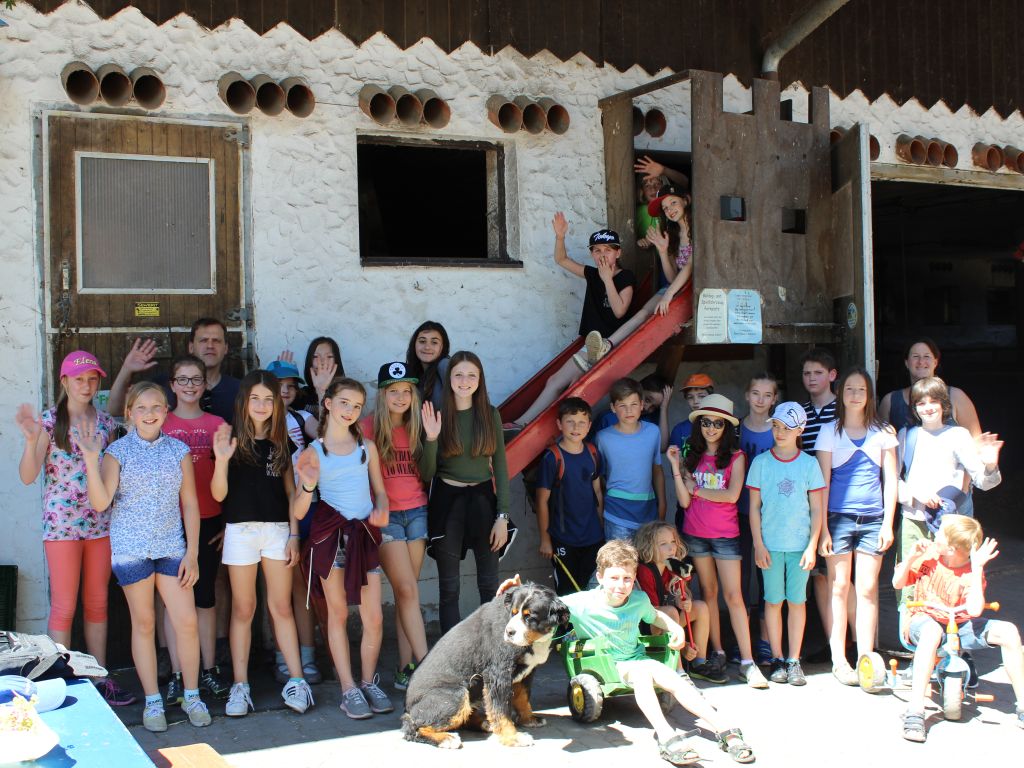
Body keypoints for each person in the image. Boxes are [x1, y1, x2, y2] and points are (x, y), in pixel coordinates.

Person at [78, 382, 210, 732]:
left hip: (171, 547)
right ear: (130, 414)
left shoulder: (179, 451)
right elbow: (102, 502)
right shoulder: (116, 453)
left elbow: (192, 505)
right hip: (131, 549)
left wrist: (193, 553)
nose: (149, 413)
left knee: (186, 622)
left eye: (156, 407)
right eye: (142, 408)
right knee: (145, 624)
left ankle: (192, 695)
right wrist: (92, 461)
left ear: (166, 411)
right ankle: (153, 701)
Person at [559, 540, 756, 764]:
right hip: (607, 663)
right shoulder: (581, 603)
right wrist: (514, 595)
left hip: (637, 659)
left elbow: (656, 616)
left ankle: (725, 729)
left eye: (627, 579)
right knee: (642, 675)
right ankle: (666, 735)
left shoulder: (638, 599)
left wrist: (674, 628)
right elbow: (544, 604)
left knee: (674, 679)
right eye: (614, 578)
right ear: (601, 577)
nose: (621, 586)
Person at [15, 350, 134, 707]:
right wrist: (30, 439)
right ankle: (60, 681)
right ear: (64, 381)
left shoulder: (106, 424)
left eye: (92, 379)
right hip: (62, 527)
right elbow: (27, 476)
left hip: (100, 524)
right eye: (79, 379)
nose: (86, 385)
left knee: (98, 603)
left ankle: (99, 677)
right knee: (64, 607)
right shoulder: (49, 423)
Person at [211, 371, 314, 717]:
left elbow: (290, 493)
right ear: (243, 401)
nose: (261, 405)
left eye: (268, 399)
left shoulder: (282, 443)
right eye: (255, 398)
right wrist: (222, 461)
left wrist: (295, 534)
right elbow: (219, 495)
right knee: (243, 608)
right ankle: (240, 686)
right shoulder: (230, 440)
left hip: (278, 531)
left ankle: (297, 681)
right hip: (239, 531)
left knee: (281, 607)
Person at [294, 377, 392, 720]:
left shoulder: (367, 447)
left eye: (356, 405)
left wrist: (382, 508)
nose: (350, 410)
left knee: (374, 617)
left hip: (364, 537)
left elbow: (379, 490)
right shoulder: (313, 452)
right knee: (337, 614)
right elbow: (299, 510)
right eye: (344, 402)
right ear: (328, 403)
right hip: (332, 538)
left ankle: (368, 682)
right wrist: (307, 485)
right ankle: (348, 689)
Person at [892, 516, 1024, 742]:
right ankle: (916, 710)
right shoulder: (928, 557)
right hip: (924, 620)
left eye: (940, 533)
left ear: (951, 548)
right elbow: (897, 583)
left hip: (959, 625)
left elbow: (973, 611)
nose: (934, 536)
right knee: (933, 632)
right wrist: (912, 556)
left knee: (1009, 631)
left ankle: (1022, 704)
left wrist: (978, 568)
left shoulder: (971, 570)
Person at [667, 394, 767, 688]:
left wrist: (696, 489)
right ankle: (719, 651)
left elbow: (732, 496)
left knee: (734, 597)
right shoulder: (690, 456)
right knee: (708, 593)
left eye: (718, 423)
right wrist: (675, 466)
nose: (711, 428)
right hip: (695, 533)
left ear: (727, 427)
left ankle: (747, 661)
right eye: (706, 422)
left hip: (725, 535)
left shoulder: (737, 457)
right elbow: (684, 501)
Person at [506, 215, 636, 428]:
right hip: (591, 345)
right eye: (597, 250)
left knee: (564, 385)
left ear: (618, 253)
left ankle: (525, 423)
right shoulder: (593, 274)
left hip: (610, 345)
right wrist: (560, 236)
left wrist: (607, 279)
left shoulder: (625, 277)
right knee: (559, 384)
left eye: (608, 250)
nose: (602, 254)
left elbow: (620, 310)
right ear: (592, 254)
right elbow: (562, 260)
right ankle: (524, 424)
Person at [815, 367, 897, 686]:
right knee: (838, 587)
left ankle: (866, 655)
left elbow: (890, 480)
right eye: (849, 388)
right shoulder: (829, 432)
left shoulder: (883, 431)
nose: (854, 394)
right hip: (838, 518)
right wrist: (822, 529)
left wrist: (888, 523)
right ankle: (839, 657)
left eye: (860, 389)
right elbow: (821, 485)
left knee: (866, 589)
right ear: (840, 393)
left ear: (869, 395)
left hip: (874, 519)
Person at [419, 351, 511, 633]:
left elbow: (501, 467)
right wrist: (432, 439)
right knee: (449, 588)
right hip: (448, 504)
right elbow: (426, 473)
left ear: (480, 379)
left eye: (472, 374)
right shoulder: (437, 414)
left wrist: (502, 516)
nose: (464, 380)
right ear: (449, 379)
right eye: (458, 374)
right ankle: (451, 656)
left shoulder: (490, 413)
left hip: (483, 502)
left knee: (489, 585)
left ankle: (493, 650)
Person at [160, 355, 231, 704]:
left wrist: (228, 521)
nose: (189, 386)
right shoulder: (160, 423)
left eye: (196, 379)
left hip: (209, 520)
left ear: (205, 385)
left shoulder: (219, 423)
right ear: (172, 385)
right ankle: (177, 673)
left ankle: (208, 669)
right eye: (182, 379)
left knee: (205, 597)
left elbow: (233, 476)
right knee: (174, 603)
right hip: (169, 525)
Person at [896, 377, 1002, 605]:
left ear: (944, 404)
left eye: (933, 401)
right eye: (921, 403)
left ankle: (951, 635)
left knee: (950, 583)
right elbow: (892, 481)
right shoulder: (906, 436)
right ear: (914, 408)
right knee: (910, 582)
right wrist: (917, 495)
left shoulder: (959, 435)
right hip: (915, 520)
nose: (928, 407)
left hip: (950, 526)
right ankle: (911, 633)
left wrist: (991, 465)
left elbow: (983, 482)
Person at [360, 362, 434, 691]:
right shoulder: (366, 428)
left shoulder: (417, 427)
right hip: (387, 517)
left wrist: (431, 439)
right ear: (383, 394)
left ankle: (407, 669)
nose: (401, 397)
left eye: (407, 391)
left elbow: (429, 471)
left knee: (410, 593)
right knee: (406, 591)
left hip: (417, 512)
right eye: (394, 391)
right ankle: (431, 670)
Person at [574, 184, 696, 375]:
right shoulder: (672, 235)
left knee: (658, 305)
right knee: (642, 314)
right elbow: (672, 277)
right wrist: (663, 252)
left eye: (673, 203)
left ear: (686, 201)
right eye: (665, 208)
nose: (669, 210)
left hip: (693, 291)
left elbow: (690, 267)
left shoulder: (699, 231)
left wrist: (668, 295)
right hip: (676, 288)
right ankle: (607, 345)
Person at [747, 402, 825, 686]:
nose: (780, 433)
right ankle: (777, 658)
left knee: (796, 602)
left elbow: (817, 508)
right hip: (770, 545)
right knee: (772, 601)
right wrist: (758, 543)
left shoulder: (809, 464)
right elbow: (754, 507)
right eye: (777, 426)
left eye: (787, 428)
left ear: (800, 430)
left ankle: (794, 660)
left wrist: (811, 545)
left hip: (799, 545)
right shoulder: (761, 463)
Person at [266, 358, 322, 685]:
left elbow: (327, 438)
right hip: (270, 512)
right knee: (277, 591)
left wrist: (324, 391)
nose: (284, 392)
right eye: (278, 387)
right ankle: (282, 657)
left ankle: (308, 654)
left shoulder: (303, 418)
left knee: (303, 586)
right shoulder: (256, 421)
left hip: (305, 505)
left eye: (290, 386)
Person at [107, 318, 241, 423]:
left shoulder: (240, 389)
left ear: (226, 348)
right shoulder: (161, 386)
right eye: (203, 340)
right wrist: (127, 369)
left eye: (216, 341)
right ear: (191, 347)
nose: (210, 345)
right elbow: (115, 410)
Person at [798, 347, 843, 651]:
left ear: (831, 375)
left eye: (817, 373)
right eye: (806, 373)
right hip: (805, 500)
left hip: (836, 498)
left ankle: (847, 642)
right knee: (817, 576)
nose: (811, 378)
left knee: (839, 577)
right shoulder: (800, 412)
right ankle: (829, 644)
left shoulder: (843, 408)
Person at [535, 397, 604, 595]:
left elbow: (597, 491)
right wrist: (545, 539)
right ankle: (567, 628)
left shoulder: (592, 453)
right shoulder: (552, 458)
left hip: (593, 537)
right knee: (567, 592)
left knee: (591, 591)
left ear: (589, 425)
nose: (576, 427)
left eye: (582, 422)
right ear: (559, 424)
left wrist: (601, 527)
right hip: (564, 538)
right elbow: (542, 501)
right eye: (570, 421)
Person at [633, 521, 717, 683]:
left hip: (670, 621)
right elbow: (652, 610)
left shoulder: (674, 564)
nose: (671, 548)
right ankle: (678, 669)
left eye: (673, 542)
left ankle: (699, 662)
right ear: (649, 547)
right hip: (648, 624)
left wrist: (683, 600)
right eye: (663, 544)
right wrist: (683, 642)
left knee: (700, 607)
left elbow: (682, 592)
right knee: (670, 611)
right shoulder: (645, 570)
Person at [736, 372, 779, 665]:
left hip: (771, 513)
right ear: (747, 395)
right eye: (756, 393)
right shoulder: (736, 429)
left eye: (767, 395)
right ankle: (744, 640)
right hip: (737, 510)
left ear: (774, 399)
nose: (760, 400)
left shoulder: (778, 430)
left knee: (767, 578)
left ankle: (765, 639)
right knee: (742, 578)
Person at [594, 378, 665, 541]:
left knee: (648, 566)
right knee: (621, 565)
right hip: (616, 514)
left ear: (641, 405)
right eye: (622, 406)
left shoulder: (653, 432)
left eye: (633, 404)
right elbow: (599, 479)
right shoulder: (602, 438)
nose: (629, 411)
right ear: (613, 407)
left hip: (648, 513)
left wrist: (662, 505)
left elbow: (657, 470)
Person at [879, 337, 981, 436]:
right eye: (915, 356)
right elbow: (881, 444)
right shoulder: (890, 401)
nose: (921, 361)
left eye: (927, 356)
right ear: (906, 363)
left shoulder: (956, 396)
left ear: (935, 362)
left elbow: (976, 441)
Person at [592, 373, 674, 451]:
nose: (647, 407)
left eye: (654, 407)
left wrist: (664, 408)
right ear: (638, 390)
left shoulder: (649, 422)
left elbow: (662, 447)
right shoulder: (609, 418)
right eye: (648, 399)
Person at [405, 321, 451, 411]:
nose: (427, 347)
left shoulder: (444, 365)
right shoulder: (415, 372)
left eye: (434, 342)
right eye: (422, 341)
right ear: (414, 344)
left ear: (443, 346)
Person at [299, 337, 343, 419]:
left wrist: (321, 391)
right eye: (315, 356)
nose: (322, 361)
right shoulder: (300, 395)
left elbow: (329, 430)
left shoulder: (345, 395)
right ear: (309, 361)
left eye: (329, 357)